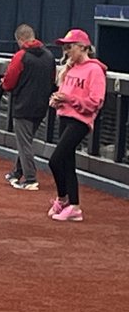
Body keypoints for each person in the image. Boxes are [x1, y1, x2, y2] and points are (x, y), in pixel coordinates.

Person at [47, 29, 107, 221]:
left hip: (80, 120)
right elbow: (65, 94)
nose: (66, 51)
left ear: (83, 47)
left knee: (55, 160)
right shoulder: (69, 68)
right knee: (67, 162)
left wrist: (70, 99)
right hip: (65, 117)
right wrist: (57, 100)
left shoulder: (94, 70)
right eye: (65, 47)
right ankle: (73, 205)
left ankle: (64, 198)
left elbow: (95, 102)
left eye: (69, 46)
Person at [0, 23, 55, 191]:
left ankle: (30, 178)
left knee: (24, 143)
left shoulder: (21, 56)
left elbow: (9, 81)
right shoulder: (49, 55)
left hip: (22, 105)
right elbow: (52, 79)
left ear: (20, 39)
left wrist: (4, 86)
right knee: (26, 140)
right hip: (41, 105)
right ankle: (17, 172)